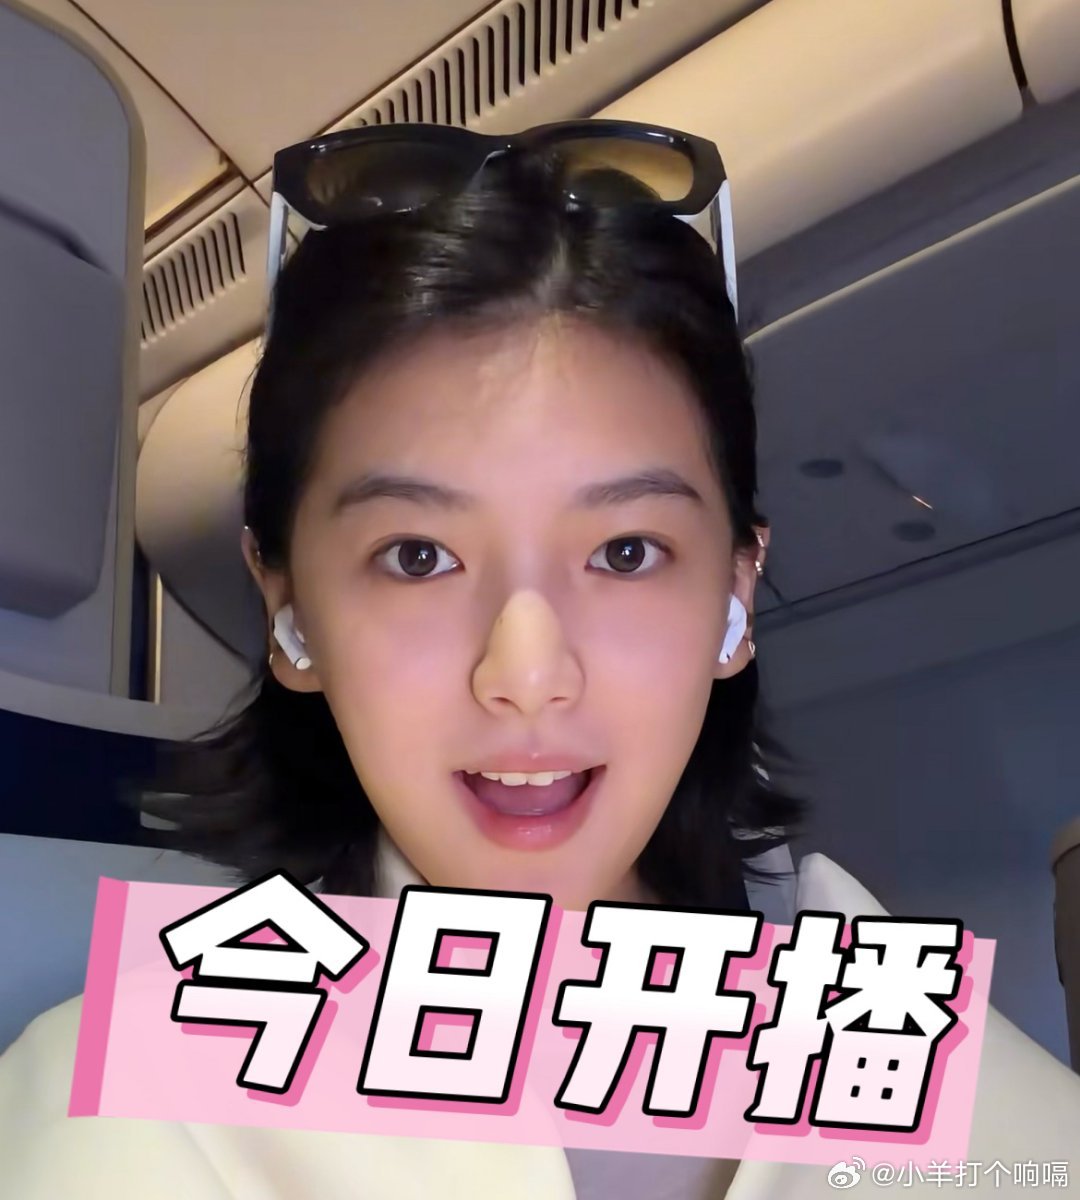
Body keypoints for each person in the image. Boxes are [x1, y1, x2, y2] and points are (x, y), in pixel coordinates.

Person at [1, 123, 1078, 1200]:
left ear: (735, 596)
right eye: (417, 557)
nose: (526, 674)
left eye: (626, 552)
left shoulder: (887, 1019)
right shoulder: (131, 1102)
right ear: (291, 611)